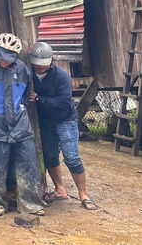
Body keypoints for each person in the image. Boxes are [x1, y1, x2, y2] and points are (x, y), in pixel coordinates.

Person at [0, 33, 44, 216]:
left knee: (28, 165)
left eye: (8, 58)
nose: (4, 61)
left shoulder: (23, 69)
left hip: (20, 124)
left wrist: (17, 112)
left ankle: (31, 204)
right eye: (1, 56)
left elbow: (25, 97)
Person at [29, 42, 99, 211]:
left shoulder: (62, 76)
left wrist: (39, 99)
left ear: (50, 61)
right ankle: (60, 189)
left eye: (42, 64)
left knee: (72, 157)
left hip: (64, 119)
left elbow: (63, 101)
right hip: (45, 122)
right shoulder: (29, 74)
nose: (39, 67)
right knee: (50, 156)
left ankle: (83, 194)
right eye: (36, 64)